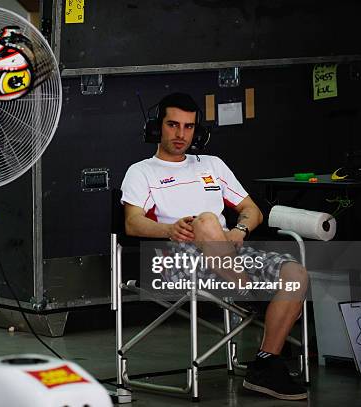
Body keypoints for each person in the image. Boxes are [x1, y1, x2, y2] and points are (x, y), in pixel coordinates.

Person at [120, 93, 309, 400]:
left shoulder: (212, 165)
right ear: (157, 128)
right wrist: (169, 228)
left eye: (189, 127)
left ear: (198, 131)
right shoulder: (141, 171)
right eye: (173, 125)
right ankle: (252, 295)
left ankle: (265, 365)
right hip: (179, 259)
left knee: (296, 273)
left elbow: (253, 210)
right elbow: (132, 222)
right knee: (206, 220)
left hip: (229, 252)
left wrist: (239, 230)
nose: (181, 134)